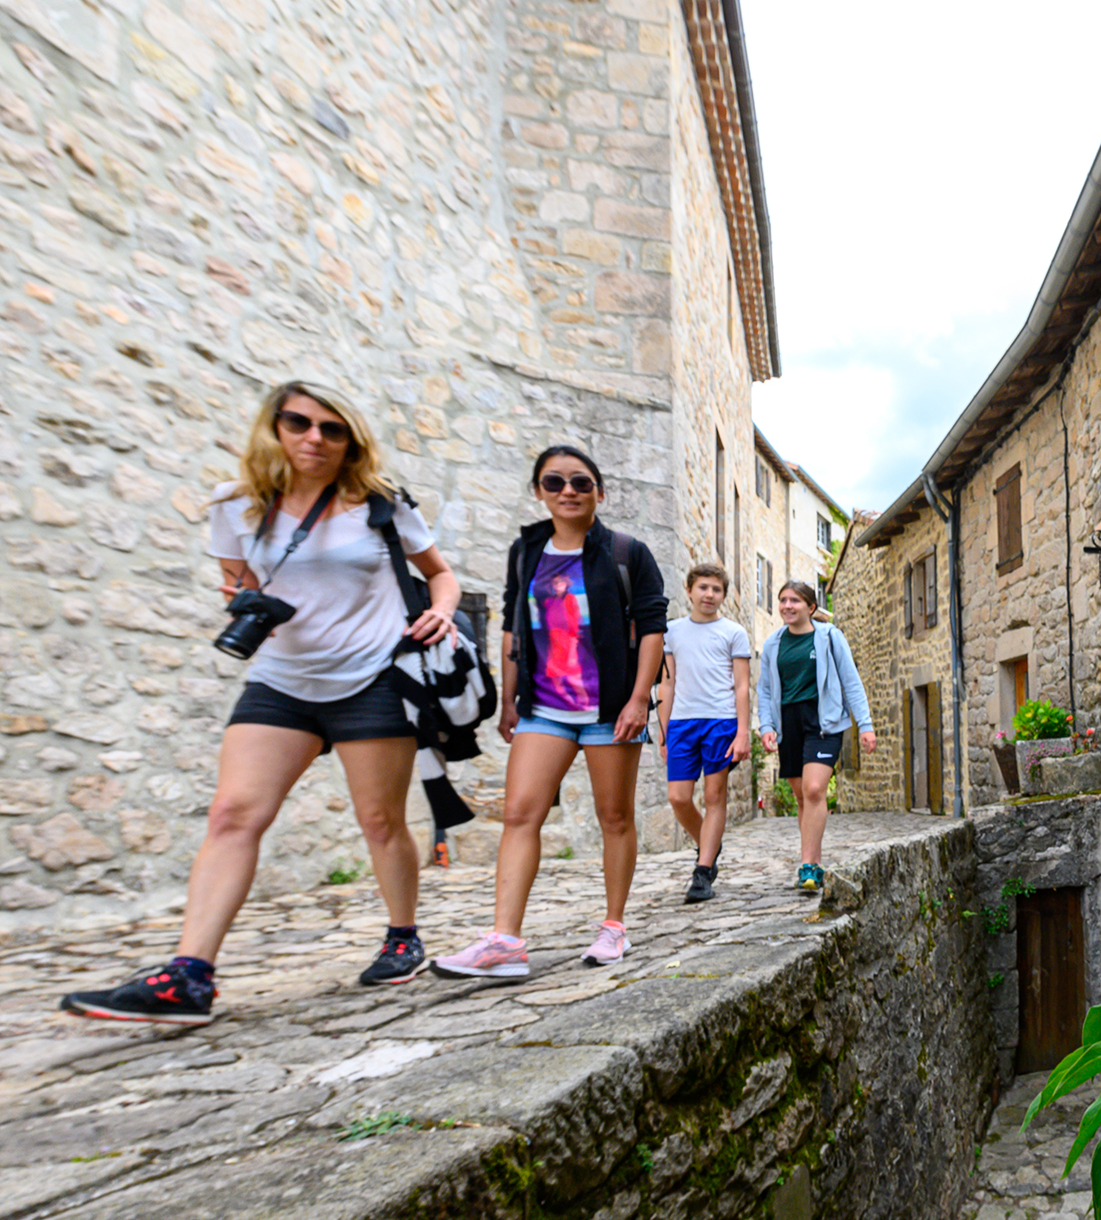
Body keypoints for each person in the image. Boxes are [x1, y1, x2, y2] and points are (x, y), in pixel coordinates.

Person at [61, 382, 462, 1024]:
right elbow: (243, 584)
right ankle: (189, 976)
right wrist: (241, 598)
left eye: (333, 430)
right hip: (281, 680)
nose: (314, 438)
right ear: (274, 427)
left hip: (373, 677)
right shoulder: (237, 506)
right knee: (233, 813)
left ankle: (402, 936)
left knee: (380, 820)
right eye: (299, 423)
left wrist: (441, 612)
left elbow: (440, 572)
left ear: (350, 442)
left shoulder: (381, 504)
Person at [434, 446, 666, 978]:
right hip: (546, 707)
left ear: (599, 493)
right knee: (520, 813)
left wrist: (637, 699)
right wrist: (509, 699)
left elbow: (653, 628)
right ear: (538, 490)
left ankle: (614, 927)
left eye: (581, 482)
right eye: (554, 481)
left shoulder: (627, 553)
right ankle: (504, 942)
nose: (568, 490)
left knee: (614, 818)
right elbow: (514, 625)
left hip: (610, 707)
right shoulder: (527, 550)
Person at [756, 581, 874, 893]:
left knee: (813, 789)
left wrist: (865, 725)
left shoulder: (830, 637)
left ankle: (808, 865)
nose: (787, 606)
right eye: (783, 600)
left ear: (810, 607)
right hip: (788, 723)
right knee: (801, 797)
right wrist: (766, 726)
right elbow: (765, 690)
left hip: (823, 722)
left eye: (795, 600)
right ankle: (816, 862)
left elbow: (851, 682)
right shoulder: (772, 644)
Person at [658, 564, 752, 903]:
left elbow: (742, 687)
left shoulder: (734, 633)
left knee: (715, 797)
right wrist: (665, 730)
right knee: (678, 798)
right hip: (682, 722)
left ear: (723, 595)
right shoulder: (672, 632)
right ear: (689, 591)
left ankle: (703, 871)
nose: (709, 594)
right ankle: (710, 844)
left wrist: (742, 733)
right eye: (703, 588)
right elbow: (667, 682)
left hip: (721, 722)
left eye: (716, 589)